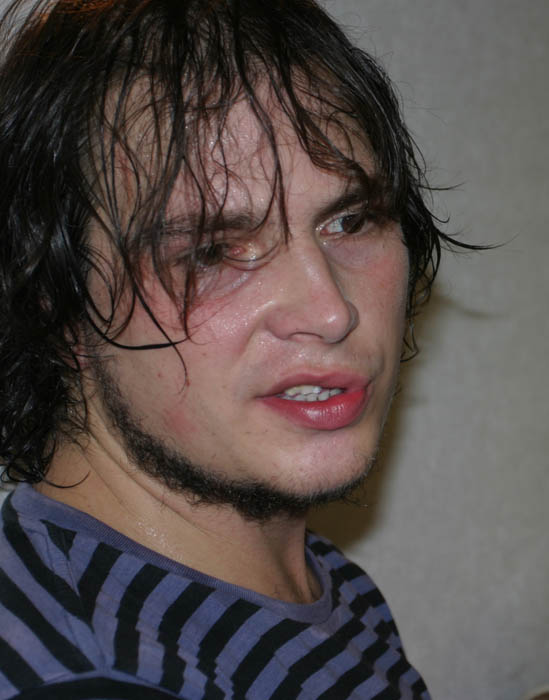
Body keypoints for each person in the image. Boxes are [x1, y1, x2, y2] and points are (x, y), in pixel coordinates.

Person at [0, 0, 465, 697]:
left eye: (349, 220)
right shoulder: (86, 673)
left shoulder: (317, 584)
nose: (331, 311)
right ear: (55, 301)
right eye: (213, 251)